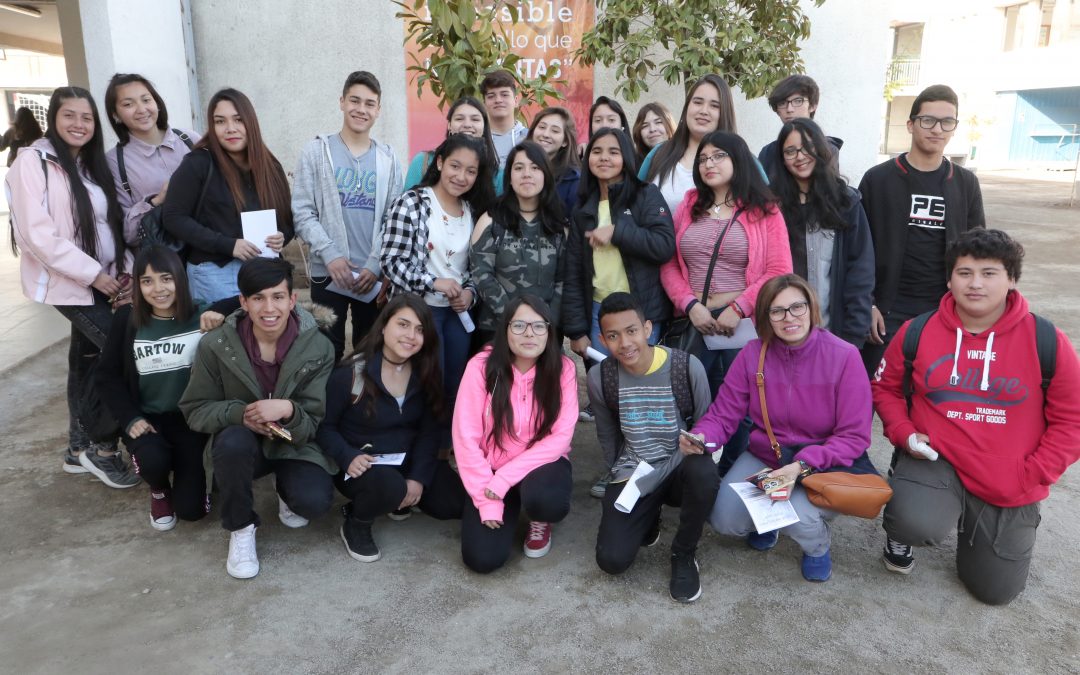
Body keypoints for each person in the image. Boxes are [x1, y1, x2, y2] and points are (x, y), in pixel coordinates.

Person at [872, 229, 1080, 605]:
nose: (975, 283)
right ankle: (916, 514)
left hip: (1008, 475)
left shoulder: (1046, 339)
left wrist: (1033, 473)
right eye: (964, 272)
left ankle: (977, 526)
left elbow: (1072, 421)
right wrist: (904, 433)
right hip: (936, 461)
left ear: (1011, 279)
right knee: (912, 520)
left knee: (994, 591)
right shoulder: (918, 330)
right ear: (949, 279)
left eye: (989, 273)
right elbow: (884, 388)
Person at [691, 274, 873, 583]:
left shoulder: (844, 356)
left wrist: (802, 466)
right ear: (765, 316)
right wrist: (702, 438)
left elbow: (854, 436)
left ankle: (816, 545)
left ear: (811, 308)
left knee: (799, 518)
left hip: (821, 465)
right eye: (777, 311)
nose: (789, 318)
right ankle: (770, 519)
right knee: (725, 520)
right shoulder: (752, 354)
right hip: (770, 458)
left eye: (797, 307)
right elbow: (723, 414)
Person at [6, 86, 138, 486]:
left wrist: (124, 272)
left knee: (85, 361)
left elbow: (108, 228)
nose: (79, 124)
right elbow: (37, 234)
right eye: (70, 116)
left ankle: (76, 451)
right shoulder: (32, 162)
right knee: (122, 350)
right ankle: (102, 447)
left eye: (87, 117)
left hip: (103, 280)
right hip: (71, 283)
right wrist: (93, 274)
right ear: (53, 118)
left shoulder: (88, 166)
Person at [180, 258, 336, 579]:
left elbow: (313, 421)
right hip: (243, 443)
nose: (269, 307)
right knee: (232, 443)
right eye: (258, 298)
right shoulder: (216, 344)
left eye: (278, 297)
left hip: (292, 442)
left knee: (314, 502)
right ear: (243, 302)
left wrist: (289, 410)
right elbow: (195, 408)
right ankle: (241, 527)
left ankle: (286, 491)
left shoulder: (318, 347)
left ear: (293, 300)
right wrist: (240, 414)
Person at [96, 246, 239, 530]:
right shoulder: (128, 319)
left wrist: (220, 310)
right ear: (138, 286)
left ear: (180, 279)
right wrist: (130, 418)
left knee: (192, 511)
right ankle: (159, 489)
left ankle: (197, 480)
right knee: (153, 460)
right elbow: (107, 375)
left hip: (192, 422)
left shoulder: (200, 313)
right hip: (149, 420)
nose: (158, 289)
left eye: (166, 278)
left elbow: (246, 301)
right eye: (147, 281)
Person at [588, 293, 717, 603]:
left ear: (647, 329)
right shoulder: (600, 377)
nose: (625, 343)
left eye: (631, 331)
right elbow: (608, 438)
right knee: (612, 560)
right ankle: (649, 515)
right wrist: (620, 481)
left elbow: (706, 429)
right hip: (637, 470)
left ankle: (684, 552)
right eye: (613, 336)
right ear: (603, 340)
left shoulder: (686, 367)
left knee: (705, 473)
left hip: (681, 466)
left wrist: (695, 448)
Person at [318, 293, 467, 563]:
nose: (411, 335)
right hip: (361, 464)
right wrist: (346, 455)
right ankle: (357, 519)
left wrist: (418, 478)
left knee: (454, 503)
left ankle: (401, 497)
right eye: (403, 324)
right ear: (384, 325)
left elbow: (429, 431)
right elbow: (324, 427)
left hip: (405, 460)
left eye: (420, 329)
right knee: (389, 488)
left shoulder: (425, 371)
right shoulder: (350, 374)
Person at [859, 84, 984, 375]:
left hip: (943, 311)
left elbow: (979, 252)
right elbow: (858, 250)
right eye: (928, 120)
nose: (937, 129)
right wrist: (868, 304)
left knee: (931, 400)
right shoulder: (878, 180)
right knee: (870, 396)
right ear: (911, 124)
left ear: (954, 128)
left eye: (947, 122)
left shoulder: (965, 183)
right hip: (885, 312)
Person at [660, 131, 791, 396]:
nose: (709, 164)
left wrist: (740, 308)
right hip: (694, 320)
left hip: (742, 325)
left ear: (739, 160)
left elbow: (780, 270)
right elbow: (669, 262)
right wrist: (690, 305)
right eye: (703, 159)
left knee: (740, 406)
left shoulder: (764, 208)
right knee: (688, 398)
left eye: (719, 156)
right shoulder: (689, 204)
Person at [452, 295, 578, 572]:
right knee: (482, 559)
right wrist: (488, 499)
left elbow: (560, 437)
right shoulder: (481, 367)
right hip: (491, 471)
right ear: (505, 329)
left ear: (549, 331)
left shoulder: (563, 370)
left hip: (542, 465)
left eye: (538, 326)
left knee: (549, 501)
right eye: (519, 325)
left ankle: (538, 517)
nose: (529, 333)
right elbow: (465, 437)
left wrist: (505, 479)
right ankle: (504, 503)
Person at [292, 70, 404, 361]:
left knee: (371, 352)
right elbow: (302, 212)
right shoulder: (317, 152)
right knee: (325, 353)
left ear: (378, 110)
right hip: (328, 274)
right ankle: (327, 406)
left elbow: (394, 220)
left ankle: (363, 406)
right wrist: (330, 254)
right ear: (342, 102)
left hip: (371, 277)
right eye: (355, 100)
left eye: (369, 103)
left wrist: (375, 264)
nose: (361, 109)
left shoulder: (388, 159)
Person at [382, 134, 494, 411]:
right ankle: (423, 448)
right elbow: (390, 261)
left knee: (454, 386)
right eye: (455, 166)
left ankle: (447, 447)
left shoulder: (471, 211)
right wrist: (433, 282)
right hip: (419, 311)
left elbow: (474, 267)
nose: (461, 176)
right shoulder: (412, 203)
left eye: (470, 171)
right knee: (426, 385)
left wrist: (470, 292)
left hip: (457, 315)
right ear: (441, 162)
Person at [162, 88, 294, 302]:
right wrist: (228, 245)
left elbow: (288, 220)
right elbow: (173, 216)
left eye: (238, 120)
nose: (230, 129)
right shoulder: (198, 163)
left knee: (262, 335)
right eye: (220, 121)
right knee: (223, 335)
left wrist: (282, 237)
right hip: (213, 273)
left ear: (250, 122)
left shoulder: (270, 166)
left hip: (264, 272)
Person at [563, 127, 675, 361]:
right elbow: (573, 272)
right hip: (598, 311)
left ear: (625, 157)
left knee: (639, 384)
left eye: (613, 152)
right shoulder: (583, 209)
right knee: (604, 386)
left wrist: (616, 232)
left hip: (641, 311)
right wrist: (576, 330)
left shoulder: (645, 195)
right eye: (597, 151)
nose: (604, 157)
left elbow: (663, 245)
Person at [768, 117, 873, 347]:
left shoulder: (847, 202)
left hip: (833, 332)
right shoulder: (771, 206)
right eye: (791, 151)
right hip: (782, 333)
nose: (800, 156)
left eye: (808, 148)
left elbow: (860, 274)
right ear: (782, 159)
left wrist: (854, 336)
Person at [470, 141, 566, 341]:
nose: (527, 174)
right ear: (510, 177)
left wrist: (545, 323)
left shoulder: (558, 224)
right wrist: (515, 320)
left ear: (545, 176)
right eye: (519, 168)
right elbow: (481, 274)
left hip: (544, 331)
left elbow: (563, 280)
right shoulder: (491, 218)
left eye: (535, 168)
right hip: (496, 329)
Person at [104, 73, 201, 240]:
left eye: (146, 100)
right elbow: (127, 234)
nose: (141, 109)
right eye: (128, 104)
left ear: (157, 103)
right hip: (164, 259)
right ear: (115, 115)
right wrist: (156, 201)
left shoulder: (190, 140)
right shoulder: (113, 162)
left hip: (211, 249)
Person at [639, 74, 739, 212]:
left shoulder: (742, 158)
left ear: (725, 113)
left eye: (714, 106)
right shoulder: (658, 154)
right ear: (687, 107)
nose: (704, 111)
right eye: (698, 102)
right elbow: (633, 204)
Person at [403, 96, 498, 190]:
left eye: (475, 119)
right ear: (449, 125)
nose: (467, 125)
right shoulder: (423, 161)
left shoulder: (496, 172)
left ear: (484, 126)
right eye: (459, 119)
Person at [757, 75, 843, 176]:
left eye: (798, 101)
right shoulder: (768, 153)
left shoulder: (826, 148)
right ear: (777, 111)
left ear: (812, 106)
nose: (789, 109)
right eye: (782, 103)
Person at [526, 106, 581, 218]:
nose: (546, 134)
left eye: (555, 131)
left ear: (565, 141)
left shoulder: (573, 179)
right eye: (542, 127)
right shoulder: (518, 167)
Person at [482, 70, 528, 168]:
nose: (498, 100)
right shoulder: (478, 140)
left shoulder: (530, 138)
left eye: (504, 95)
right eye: (491, 96)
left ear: (516, 101)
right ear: (484, 104)